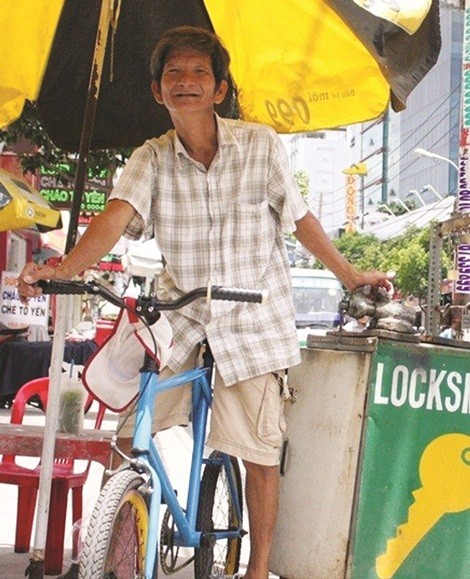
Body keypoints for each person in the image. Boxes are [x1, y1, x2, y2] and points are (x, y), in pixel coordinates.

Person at [17, 26, 393, 579]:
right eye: (174, 73)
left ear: (219, 89)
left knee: (259, 452)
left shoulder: (260, 144)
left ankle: (257, 570)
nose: (186, 81)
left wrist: (351, 274)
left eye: (199, 72)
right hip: (182, 315)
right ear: (158, 90)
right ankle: (113, 541)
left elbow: (300, 219)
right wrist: (63, 269)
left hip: (254, 316)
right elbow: (117, 215)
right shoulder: (150, 158)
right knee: (129, 435)